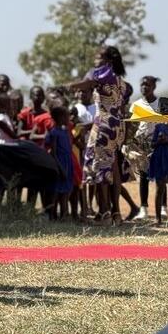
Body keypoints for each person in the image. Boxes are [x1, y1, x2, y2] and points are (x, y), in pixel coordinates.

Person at [68, 46, 128, 225]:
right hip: (118, 126)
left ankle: (105, 214)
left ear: (108, 61)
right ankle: (116, 213)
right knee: (113, 166)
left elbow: (86, 83)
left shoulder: (103, 74)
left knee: (101, 166)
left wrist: (68, 86)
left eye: (98, 57)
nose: (95, 61)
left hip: (104, 125)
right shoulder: (120, 80)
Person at [129, 75, 160, 219]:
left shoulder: (161, 104)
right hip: (142, 144)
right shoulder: (136, 105)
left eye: (147, 85)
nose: (144, 87)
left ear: (154, 87)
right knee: (144, 176)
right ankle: (144, 208)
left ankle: (163, 207)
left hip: (158, 143)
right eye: (142, 84)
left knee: (161, 177)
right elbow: (132, 125)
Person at [45, 106, 74, 220]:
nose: (69, 118)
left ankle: (64, 215)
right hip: (60, 164)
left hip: (67, 163)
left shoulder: (65, 131)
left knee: (66, 191)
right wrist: (60, 168)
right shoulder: (54, 132)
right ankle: (52, 215)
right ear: (60, 118)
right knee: (56, 191)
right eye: (67, 116)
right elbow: (54, 152)